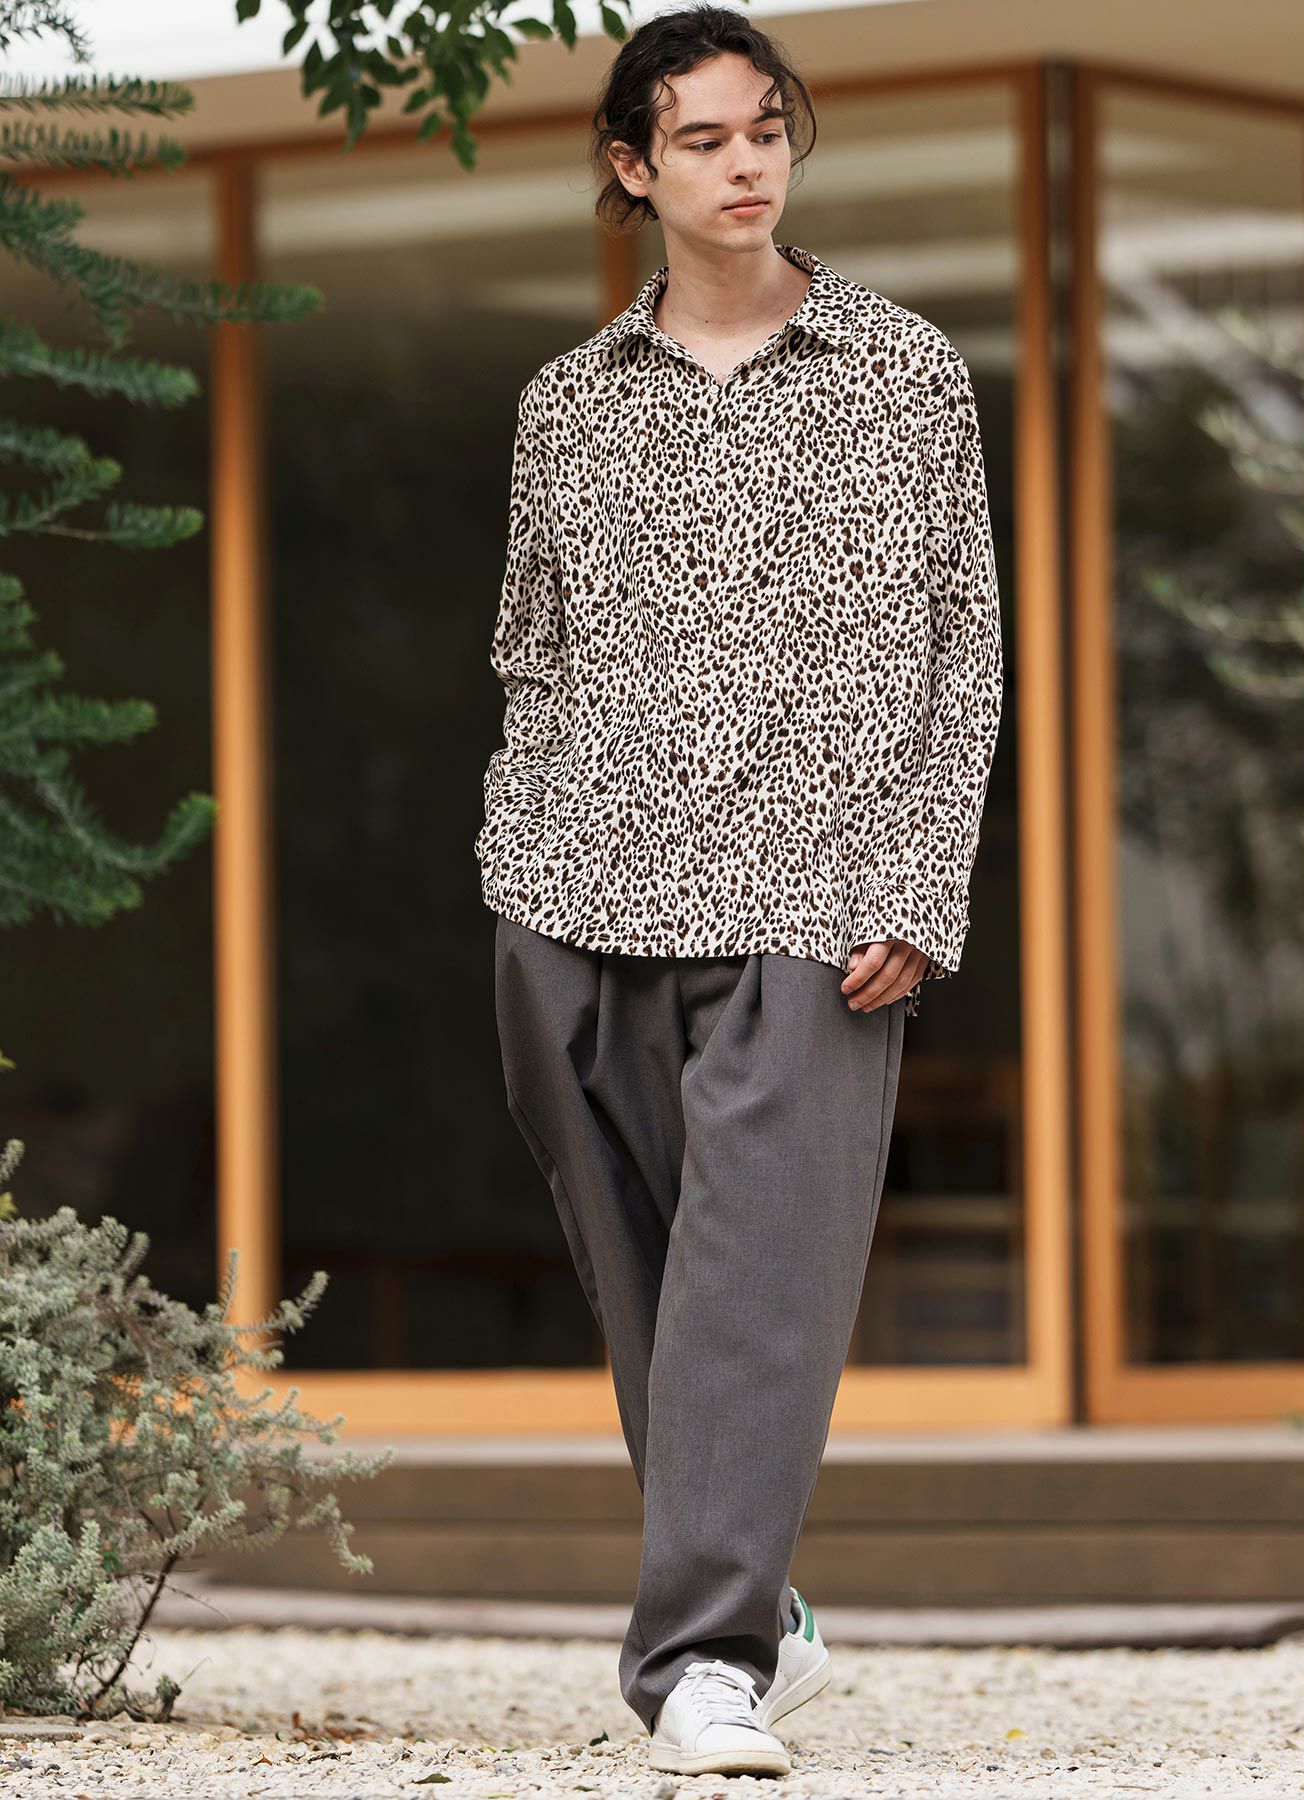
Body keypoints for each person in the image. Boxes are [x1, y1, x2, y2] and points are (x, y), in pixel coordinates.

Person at [476, 3, 1003, 1780]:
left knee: (757, 1283)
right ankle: (760, 1603)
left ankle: (701, 1663)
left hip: (816, 899)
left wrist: (921, 878)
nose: (744, 162)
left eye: (764, 128)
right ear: (634, 166)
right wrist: (514, 867)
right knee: (653, 1289)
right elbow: (533, 657)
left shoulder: (905, 373)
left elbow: (964, 652)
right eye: (700, 138)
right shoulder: (567, 406)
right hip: (578, 890)